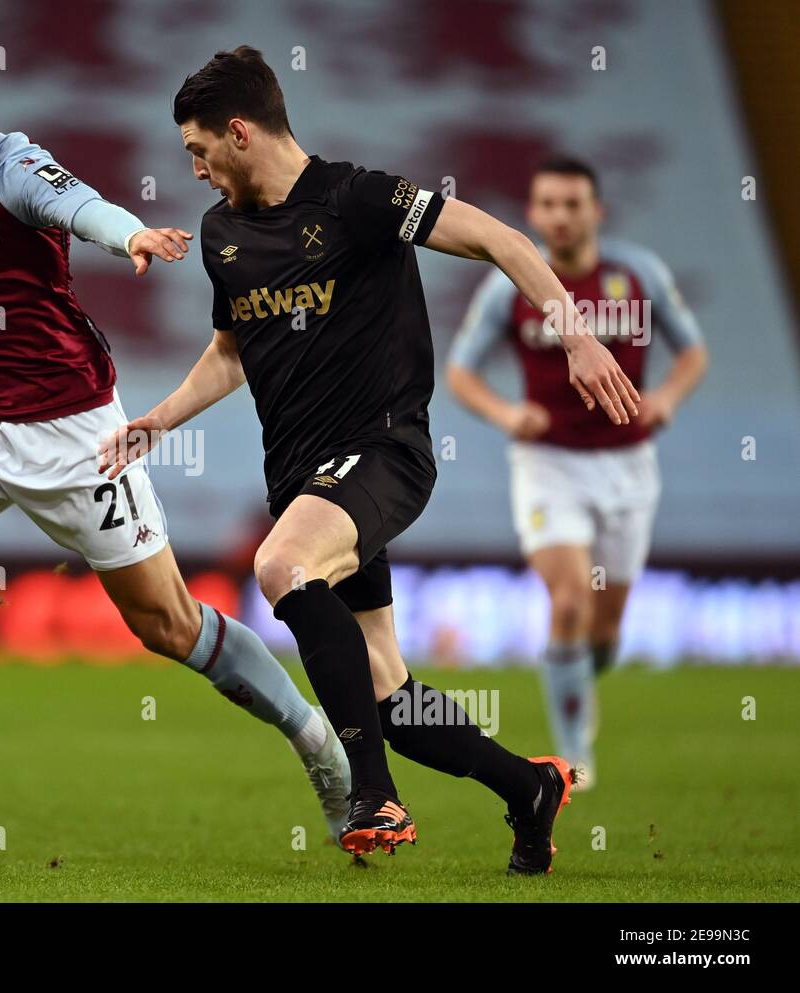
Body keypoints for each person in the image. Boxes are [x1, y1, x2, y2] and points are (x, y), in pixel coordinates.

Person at [0, 42, 351, 867]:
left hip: (74, 435)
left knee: (169, 624)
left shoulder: (12, 168)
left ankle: (318, 745)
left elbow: (81, 206)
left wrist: (129, 236)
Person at [100, 46, 640, 873]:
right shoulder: (223, 235)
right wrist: (159, 421)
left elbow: (499, 238)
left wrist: (574, 333)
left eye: (198, 150)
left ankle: (374, 796)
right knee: (384, 686)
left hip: (385, 451)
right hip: (305, 477)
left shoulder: (360, 199)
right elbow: (231, 350)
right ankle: (528, 786)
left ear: (239, 133)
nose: (196, 169)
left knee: (281, 563)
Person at [447, 156, 708, 787]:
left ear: (597, 212)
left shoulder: (636, 274)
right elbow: (459, 371)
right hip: (549, 464)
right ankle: (573, 754)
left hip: (628, 464)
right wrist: (507, 414)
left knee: (606, 627)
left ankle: (576, 686)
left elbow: (693, 351)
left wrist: (668, 397)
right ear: (533, 214)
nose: (560, 217)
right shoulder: (512, 283)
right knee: (568, 600)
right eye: (548, 205)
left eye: (573, 204)